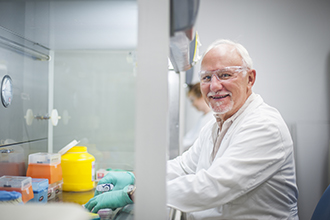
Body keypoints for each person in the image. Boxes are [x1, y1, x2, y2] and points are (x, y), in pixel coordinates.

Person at [84, 39, 299, 219]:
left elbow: (211, 187)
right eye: (206, 78)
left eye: (224, 75)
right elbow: (184, 167)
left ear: (250, 78)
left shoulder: (264, 126)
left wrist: (134, 194)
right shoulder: (216, 125)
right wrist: (135, 177)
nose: (214, 86)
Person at [183, 83, 215, 151]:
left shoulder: (212, 118)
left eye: (192, 100)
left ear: (201, 96)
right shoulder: (204, 117)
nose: (192, 104)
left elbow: (194, 141)